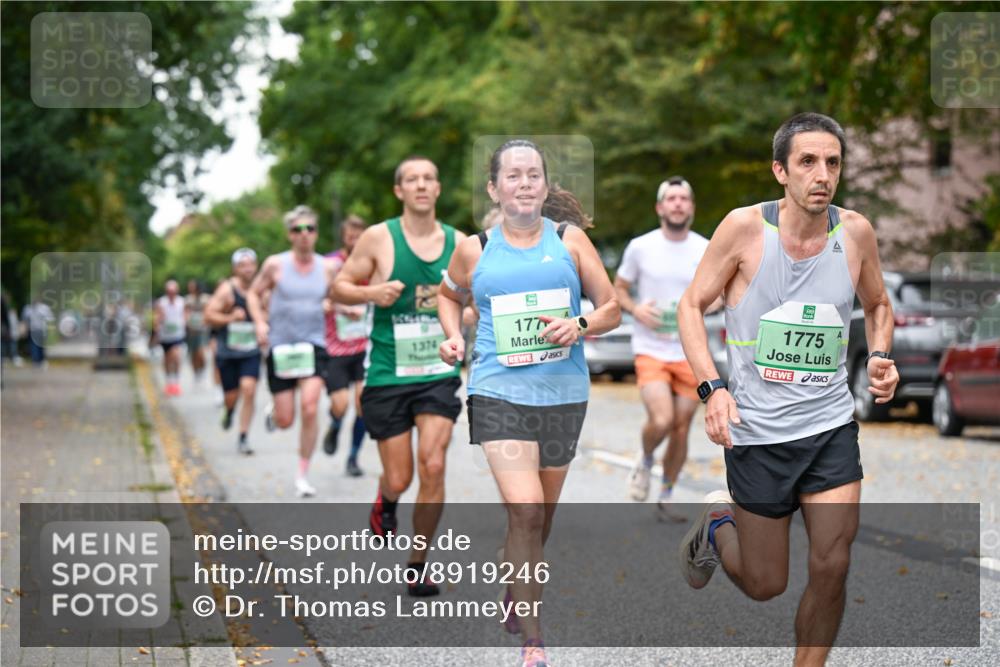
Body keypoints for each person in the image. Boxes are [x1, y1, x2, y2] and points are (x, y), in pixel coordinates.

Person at [676, 112, 898, 665]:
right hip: (757, 434)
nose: (822, 174)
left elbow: (878, 305)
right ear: (780, 170)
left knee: (833, 563)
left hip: (828, 427)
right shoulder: (745, 230)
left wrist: (880, 356)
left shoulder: (856, 233)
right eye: (807, 162)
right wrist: (713, 389)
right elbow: (691, 305)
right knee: (764, 583)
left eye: (832, 162)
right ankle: (716, 524)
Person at [438, 140, 620, 667]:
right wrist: (453, 337)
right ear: (494, 188)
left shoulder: (571, 241)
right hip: (497, 389)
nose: (523, 183)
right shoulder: (475, 248)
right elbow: (449, 295)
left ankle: (516, 586)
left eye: (533, 175)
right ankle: (534, 641)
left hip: (563, 393)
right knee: (526, 510)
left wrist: (579, 324)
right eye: (512, 176)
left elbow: (610, 308)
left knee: (541, 519)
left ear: (545, 185)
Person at [333, 155, 466, 597]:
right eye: (412, 179)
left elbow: (480, 298)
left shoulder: (460, 243)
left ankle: (417, 564)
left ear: (438, 188)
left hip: (436, 372)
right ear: (399, 191)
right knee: (400, 478)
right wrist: (372, 292)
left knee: (434, 463)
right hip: (389, 374)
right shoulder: (378, 238)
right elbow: (339, 287)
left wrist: (469, 318)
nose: (422, 185)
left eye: (429, 178)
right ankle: (386, 500)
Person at [616, 176, 713, 521]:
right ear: (660, 207)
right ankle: (644, 461)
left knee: (682, 427)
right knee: (663, 419)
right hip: (651, 347)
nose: (677, 204)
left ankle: (667, 495)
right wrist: (636, 309)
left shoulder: (705, 248)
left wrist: (706, 308)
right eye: (671, 198)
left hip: (689, 349)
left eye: (683, 199)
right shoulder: (641, 247)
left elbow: (717, 293)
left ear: (691, 207)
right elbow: (620, 288)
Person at [247, 205, 338, 498]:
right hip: (282, 345)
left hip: (314, 344)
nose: (304, 235)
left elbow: (337, 296)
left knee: (310, 406)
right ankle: (275, 413)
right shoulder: (275, 264)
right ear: (289, 234)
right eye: (298, 229)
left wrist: (337, 306)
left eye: (310, 229)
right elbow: (253, 293)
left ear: (316, 234)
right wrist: (260, 322)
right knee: (287, 420)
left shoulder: (327, 267)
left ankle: (302, 473)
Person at [321, 214, 370, 477]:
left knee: (362, 402)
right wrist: (336, 306)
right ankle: (336, 424)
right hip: (335, 347)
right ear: (344, 236)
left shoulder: (371, 264)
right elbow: (320, 295)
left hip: (363, 344)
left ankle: (353, 457)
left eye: (359, 236)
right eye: (350, 236)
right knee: (340, 404)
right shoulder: (330, 263)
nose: (355, 240)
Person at [205, 248, 261, 456]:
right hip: (228, 352)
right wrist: (230, 318)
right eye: (242, 265)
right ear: (235, 268)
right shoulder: (227, 290)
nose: (247, 269)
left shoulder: (260, 289)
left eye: (250, 264)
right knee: (232, 396)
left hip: (251, 350)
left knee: (249, 389)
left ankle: (243, 436)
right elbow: (208, 315)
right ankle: (229, 411)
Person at [155, 280, 186, 395]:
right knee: (167, 359)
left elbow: (184, 315)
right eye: (169, 291)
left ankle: (176, 382)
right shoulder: (161, 302)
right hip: (165, 335)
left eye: (173, 291)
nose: (171, 293)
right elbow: (158, 317)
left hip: (178, 334)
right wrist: (157, 326)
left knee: (176, 356)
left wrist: (184, 323)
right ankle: (169, 382)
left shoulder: (181, 302)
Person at [185, 280, 211, 382]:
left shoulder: (205, 299)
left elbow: (208, 311)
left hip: (202, 330)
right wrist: (188, 322)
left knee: (201, 352)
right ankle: (196, 372)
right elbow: (186, 313)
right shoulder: (188, 299)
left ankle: (202, 368)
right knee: (193, 353)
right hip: (191, 330)